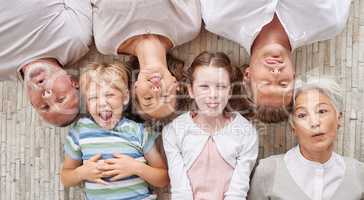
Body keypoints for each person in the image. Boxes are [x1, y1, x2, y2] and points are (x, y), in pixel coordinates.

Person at [200, 0, 351, 123]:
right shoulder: (330, 21)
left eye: (266, 83)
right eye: (283, 83)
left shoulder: (218, 18)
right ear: (294, 75)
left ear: (248, 74)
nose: (276, 73)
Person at [60, 63, 169, 200]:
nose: (102, 103)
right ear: (87, 104)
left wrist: (136, 168)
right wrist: (81, 173)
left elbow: (163, 178)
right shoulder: (80, 131)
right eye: (93, 98)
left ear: (125, 98)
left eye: (109, 94)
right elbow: (66, 178)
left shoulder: (138, 131)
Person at [248, 76, 364, 200]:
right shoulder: (268, 171)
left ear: (338, 118)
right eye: (302, 115)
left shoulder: (359, 173)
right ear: (293, 128)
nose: (314, 123)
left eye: (322, 111)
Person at [163, 52, 258, 199]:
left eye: (221, 86)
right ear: (191, 90)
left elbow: (238, 191)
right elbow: (180, 190)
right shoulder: (174, 131)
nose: (213, 94)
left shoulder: (246, 132)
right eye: (204, 86)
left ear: (230, 90)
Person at [92, 0, 201, 120]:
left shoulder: (106, 41)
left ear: (135, 89)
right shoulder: (188, 27)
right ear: (176, 84)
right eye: (165, 96)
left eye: (148, 98)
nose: (156, 91)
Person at [0, 0, 93, 126]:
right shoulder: (76, 40)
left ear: (31, 102)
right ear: (73, 82)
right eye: (61, 99)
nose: (47, 95)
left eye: (44, 107)